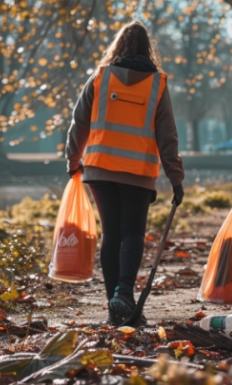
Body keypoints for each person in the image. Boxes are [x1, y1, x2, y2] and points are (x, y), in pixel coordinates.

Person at [65, 20, 185, 327]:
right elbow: (167, 135)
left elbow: (79, 123)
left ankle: (114, 306)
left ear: (117, 47)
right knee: (132, 232)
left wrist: (73, 160)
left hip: (100, 169)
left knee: (112, 235)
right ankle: (125, 294)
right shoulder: (157, 83)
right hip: (138, 172)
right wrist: (175, 177)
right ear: (148, 50)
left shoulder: (101, 78)